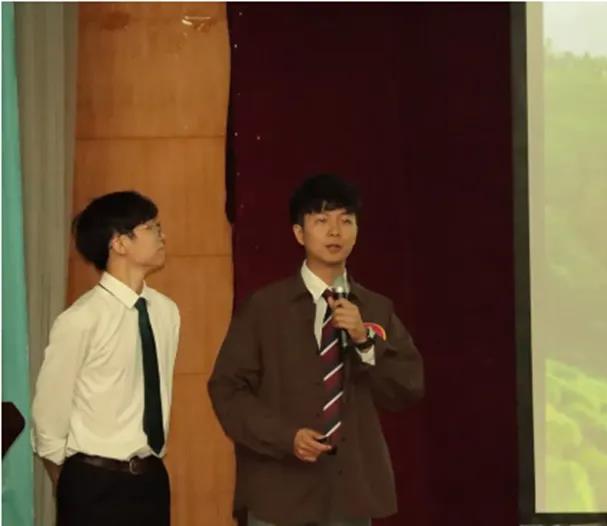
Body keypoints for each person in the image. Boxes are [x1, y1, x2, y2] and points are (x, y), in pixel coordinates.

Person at [208, 174, 424, 526]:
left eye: (346, 221)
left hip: (350, 494)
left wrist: (364, 341)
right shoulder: (265, 308)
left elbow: (408, 387)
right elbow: (227, 389)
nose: (335, 232)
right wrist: (285, 437)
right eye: (322, 221)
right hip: (279, 492)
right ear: (299, 233)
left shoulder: (375, 308)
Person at [31, 191, 180, 526]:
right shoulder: (81, 319)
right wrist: (70, 481)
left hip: (151, 479)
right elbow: (49, 417)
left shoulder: (166, 312)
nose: (163, 236)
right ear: (119, 243)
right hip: (93, 482)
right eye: (151, 228)